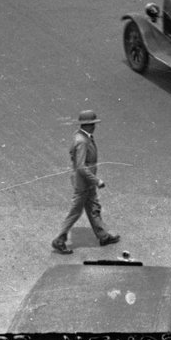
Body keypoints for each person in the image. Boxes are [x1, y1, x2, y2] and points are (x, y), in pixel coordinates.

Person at [50, 109, 120, 254]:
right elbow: (81, 166)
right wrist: (96, 181)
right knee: (75, 211)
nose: (94, 126)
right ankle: (59, 239)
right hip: (83, 182)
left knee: (94, 207)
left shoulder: (81, 136)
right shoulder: (82, 141)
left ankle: (103, 236)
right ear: (86, 125)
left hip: (85, 181)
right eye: (92, 123)